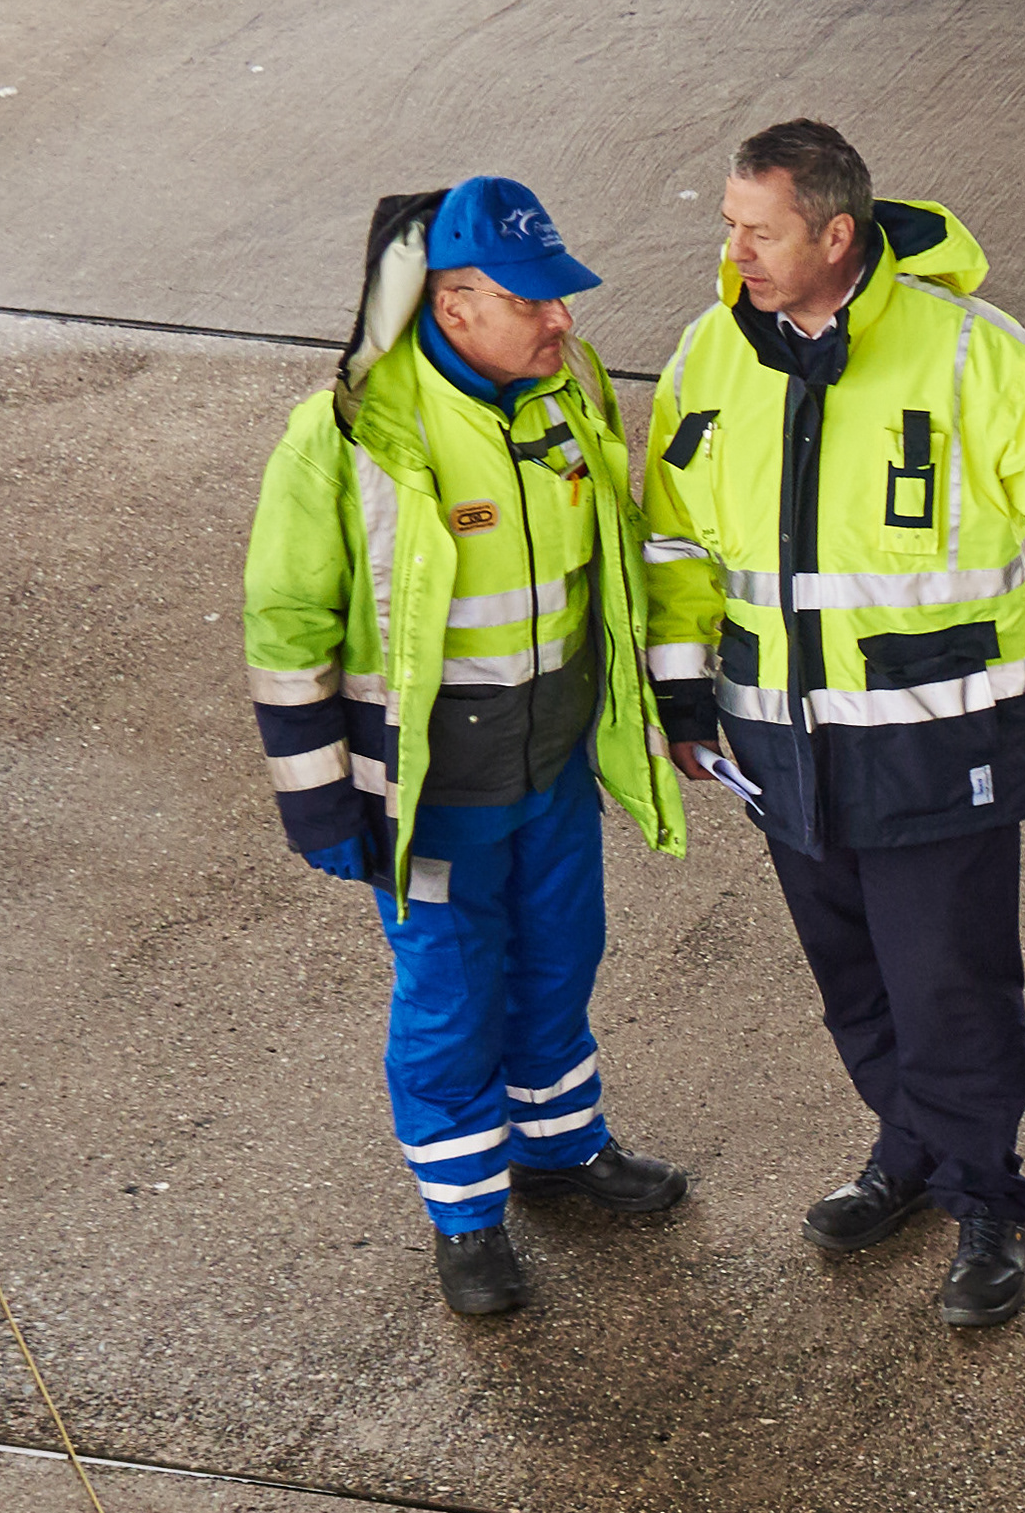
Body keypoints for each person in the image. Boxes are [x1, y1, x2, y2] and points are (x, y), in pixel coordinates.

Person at [642, 118, 1025, 1336]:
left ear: (834, 232)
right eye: (730, 223)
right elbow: (672, 540)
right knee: (855, 981)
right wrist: (678, 693)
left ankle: (986, 1204)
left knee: (951, 985)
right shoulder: (712, 353)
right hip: (780, 743)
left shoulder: (972, 349)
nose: (735, 248)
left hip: (939, 739)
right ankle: (911, 1149)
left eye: (757, 229)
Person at [242, 176, 690, 1324]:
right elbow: (287, 629)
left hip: (548, 776)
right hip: (430, 798)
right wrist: (321, 804)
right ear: (453, 305)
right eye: (534, 301)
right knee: (449, 997)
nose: (563, 323)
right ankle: (467, 1218)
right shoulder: (346, 438)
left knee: (560, 959)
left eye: (561, 297)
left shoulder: (558, 400)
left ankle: (559, 1148)